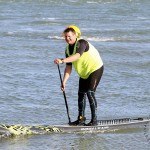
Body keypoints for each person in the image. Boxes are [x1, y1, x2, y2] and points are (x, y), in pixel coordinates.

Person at [54, 25, 104, 126]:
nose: (67, 39)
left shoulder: (82, 43)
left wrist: (62, 60)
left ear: (75, 35)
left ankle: (94, 120)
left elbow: (77, 56)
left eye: (69, 36)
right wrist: (64, 82)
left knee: (90, 92)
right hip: (84, 73)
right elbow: (69, 67)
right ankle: (81, 119)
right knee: (81, 94)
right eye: (66, 37)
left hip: (95, 69)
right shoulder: (68, 49)